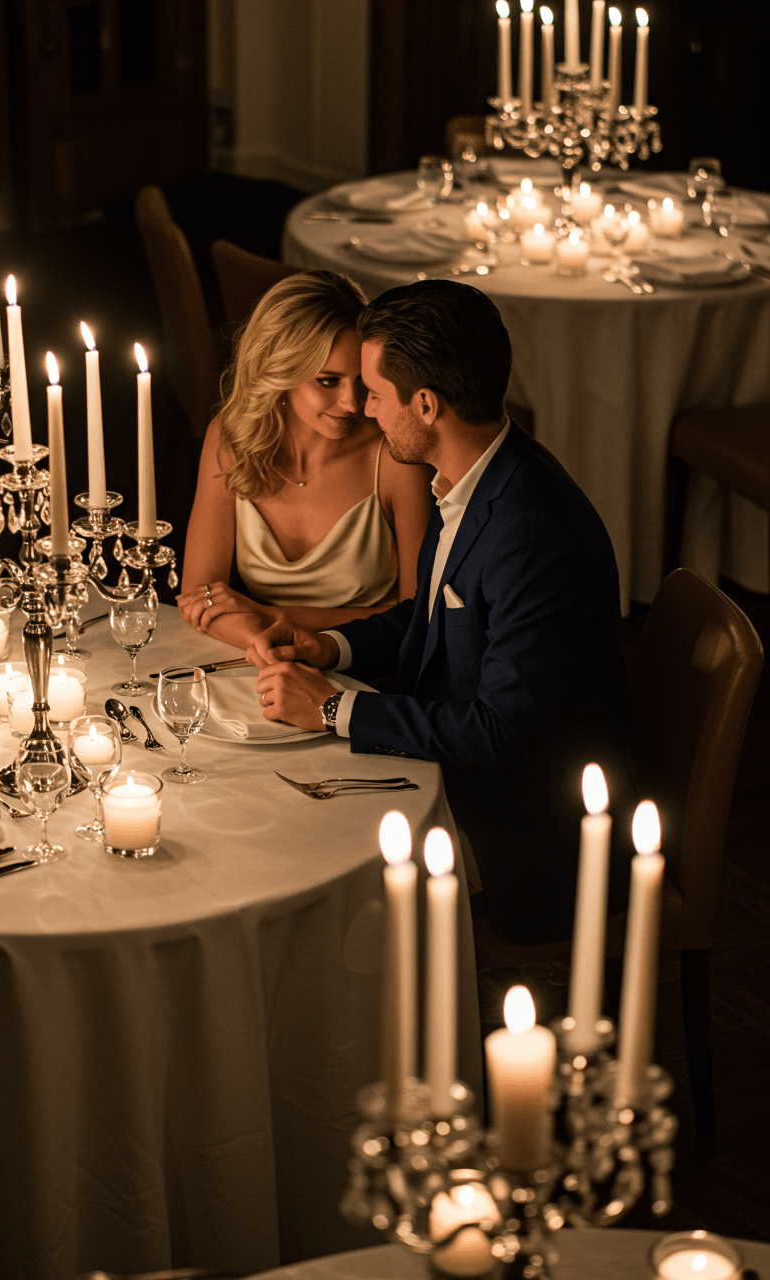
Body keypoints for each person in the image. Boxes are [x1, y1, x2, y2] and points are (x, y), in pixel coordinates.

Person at [247, 280, 637, 945]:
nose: (365, 410)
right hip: (456, 779)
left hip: (523, 834)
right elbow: (433, 625)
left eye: (374, 392)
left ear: (425, 405)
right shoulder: (469, 479)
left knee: (293, 877)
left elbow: (499, 735)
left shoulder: (532, 531)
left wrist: (334, 709)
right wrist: (327, 647)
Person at [177, 270, 433, 651]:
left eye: (361, 381)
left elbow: (418, 618)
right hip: (260, 664)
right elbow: (199, 601)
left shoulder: (395, 455)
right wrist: (267, 646)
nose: (352, 403)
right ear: (280, 371)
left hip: (369, 671)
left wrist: (269, 615)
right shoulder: (231, 439)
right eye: (328, 381)